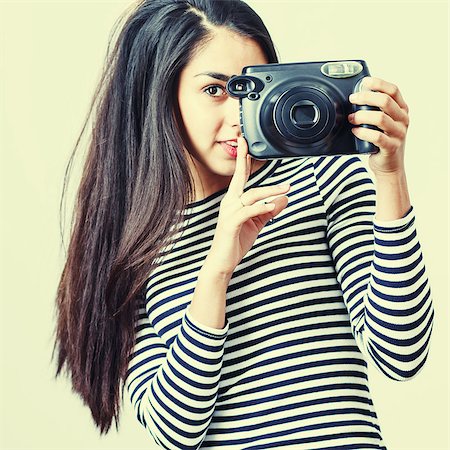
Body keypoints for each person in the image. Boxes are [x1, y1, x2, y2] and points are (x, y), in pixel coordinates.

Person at [52, 0, 434, 449]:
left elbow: (401, 352)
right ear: (158, 92)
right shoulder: (131, 244)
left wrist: (390, 176)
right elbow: (176, 430)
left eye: (251, 89)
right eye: (215, 90)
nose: (237, 115)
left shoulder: (320, 175)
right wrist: (217, 268)